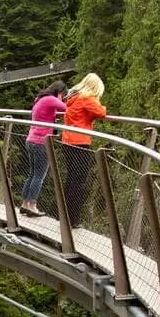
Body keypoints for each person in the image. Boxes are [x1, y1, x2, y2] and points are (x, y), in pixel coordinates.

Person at [61, 73, 107, 227]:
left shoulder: (73, 98)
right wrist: (99, 102)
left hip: (67, 141)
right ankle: (73, 219)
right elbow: (101, 112)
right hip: (80, 142)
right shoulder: (87, 98)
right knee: (79, 181)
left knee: (71, 179)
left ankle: (65, 215)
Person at [20, 80, 68, 216]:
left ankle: (24, 204)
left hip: (31, 140)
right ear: (59, 92)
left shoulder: (39, 99)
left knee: (33, 173)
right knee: (39, 175)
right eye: (62, 95)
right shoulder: (51, 99)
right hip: (41, 142)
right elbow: (67, 109)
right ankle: (32, 205)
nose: (62, 97)